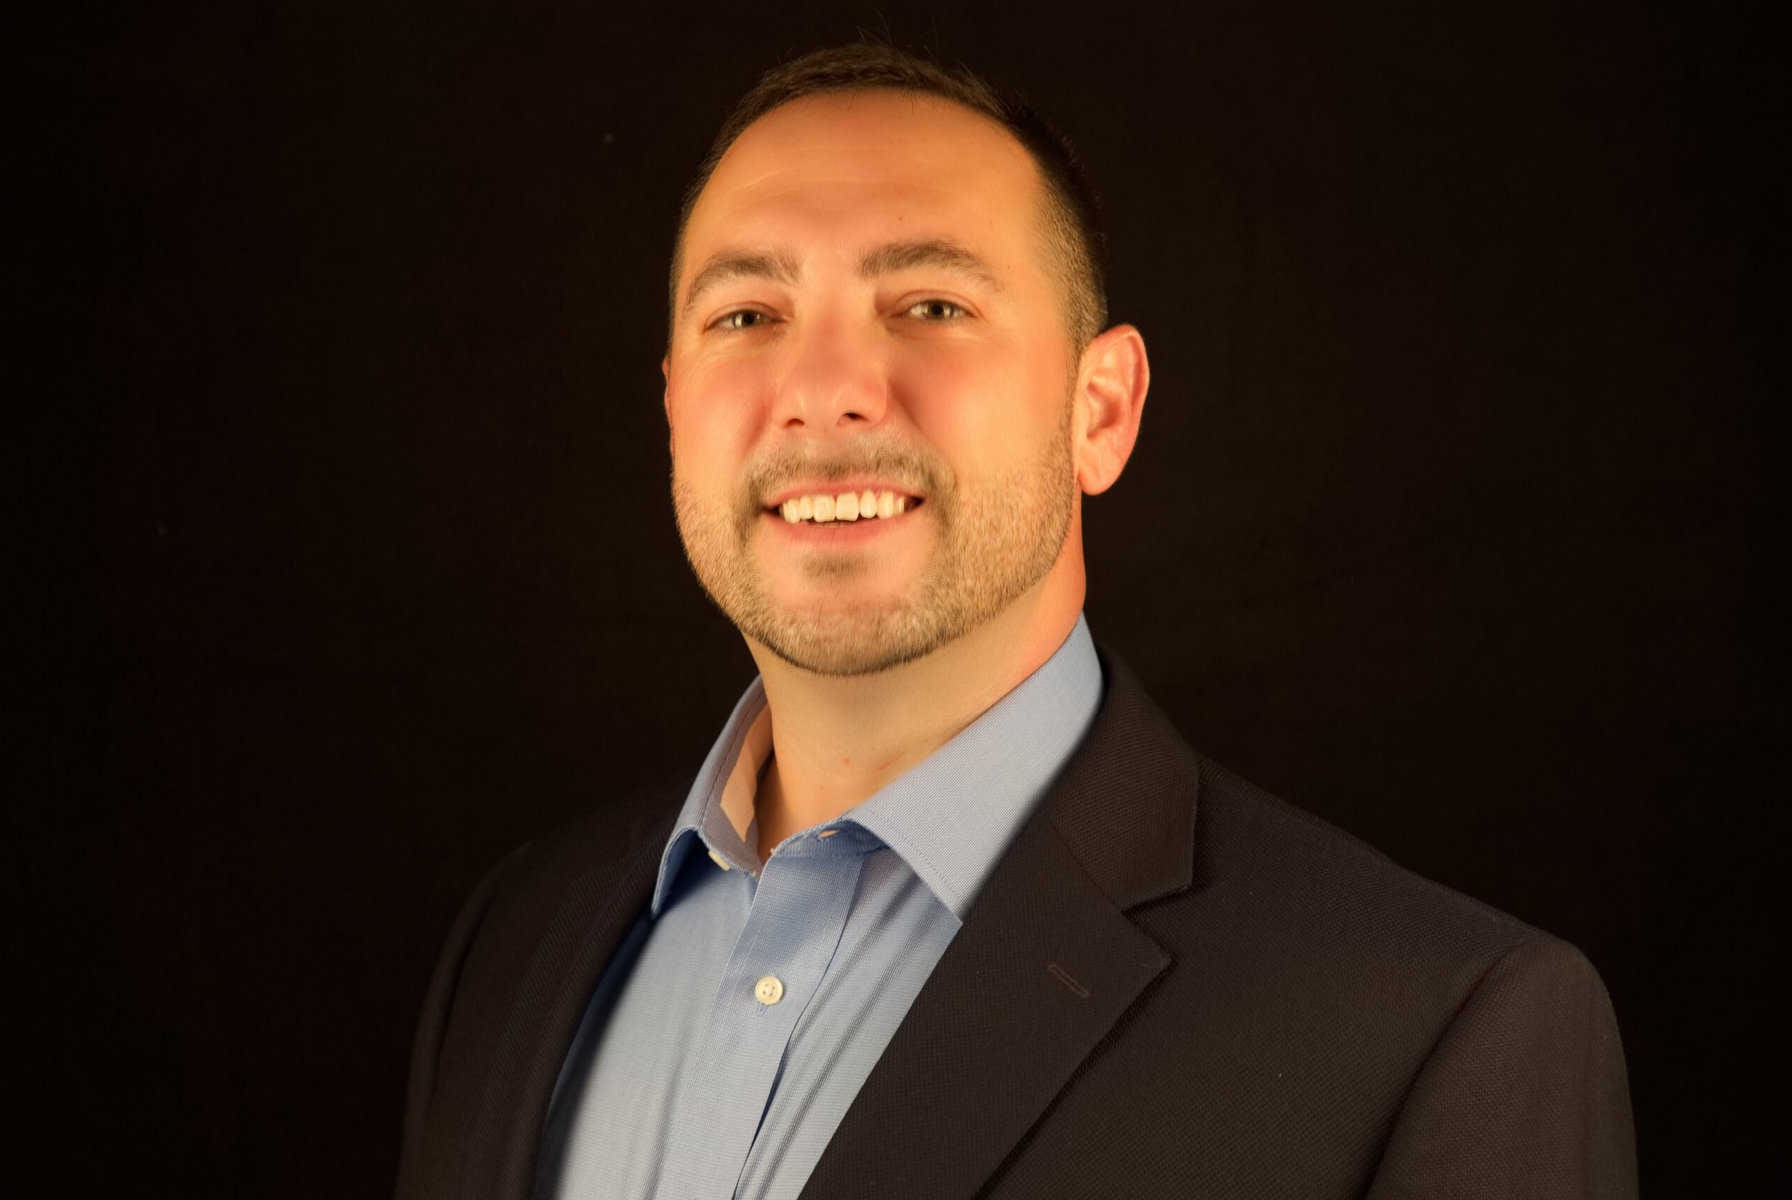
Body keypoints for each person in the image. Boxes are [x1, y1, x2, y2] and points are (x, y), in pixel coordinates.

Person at [394, 42, 1636, 1200]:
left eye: (930, 304)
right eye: (746, 317)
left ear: (1102, 411)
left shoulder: (1436, 1028)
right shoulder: (515, 950)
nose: (823, 390)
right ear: (674, 407)